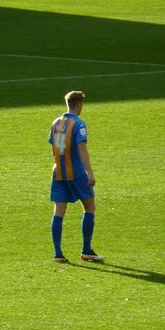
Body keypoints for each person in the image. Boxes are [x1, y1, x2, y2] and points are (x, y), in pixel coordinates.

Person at [48, 91, 101, 263]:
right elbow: (82, 149)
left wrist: (58, 162)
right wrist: (90, 173)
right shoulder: (79, 124)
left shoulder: (55, 123)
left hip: (59, 173)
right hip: (77, 174)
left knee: (59, 213)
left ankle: (58, 254)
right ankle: (86, 250)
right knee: (89, 208)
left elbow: (55, 148)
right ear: (79, 105)